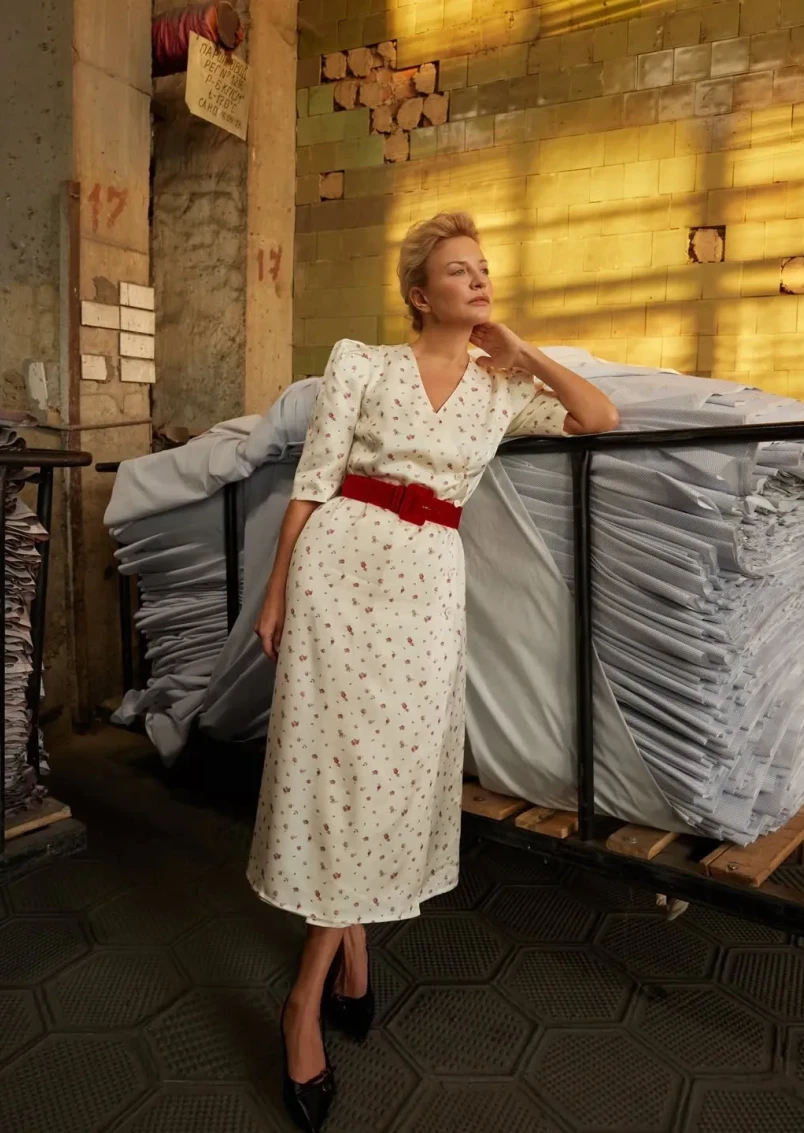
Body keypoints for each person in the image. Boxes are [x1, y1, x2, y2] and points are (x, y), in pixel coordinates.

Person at [248, 211, 619, 1131]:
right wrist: (278, 589)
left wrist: (522, 350)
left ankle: (352, 948)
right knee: (336, 772)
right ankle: (304, 1002)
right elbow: (314, 479)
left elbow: (599, 416)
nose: (479, 279)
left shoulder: (502, 388)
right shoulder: (362, 363)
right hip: (341, 568)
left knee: (388, 774)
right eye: (459, 270)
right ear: (420, 294)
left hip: (424, 588)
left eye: (484, 268)